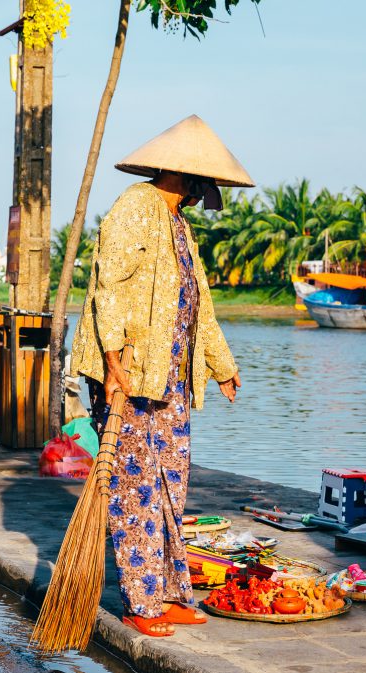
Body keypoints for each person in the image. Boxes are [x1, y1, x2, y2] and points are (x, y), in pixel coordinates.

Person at [69, 115, 250, 638]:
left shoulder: (180, 224)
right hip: (129, 373)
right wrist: (112, 361)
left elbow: (200, 308)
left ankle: (170, 593)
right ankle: (141, 602)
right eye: (202, 184)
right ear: (183, 175)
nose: (203, 195)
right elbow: (111, 286)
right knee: (135, 490)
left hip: (171, 379)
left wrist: (222, 366)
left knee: (170, 486)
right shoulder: (135, 208)